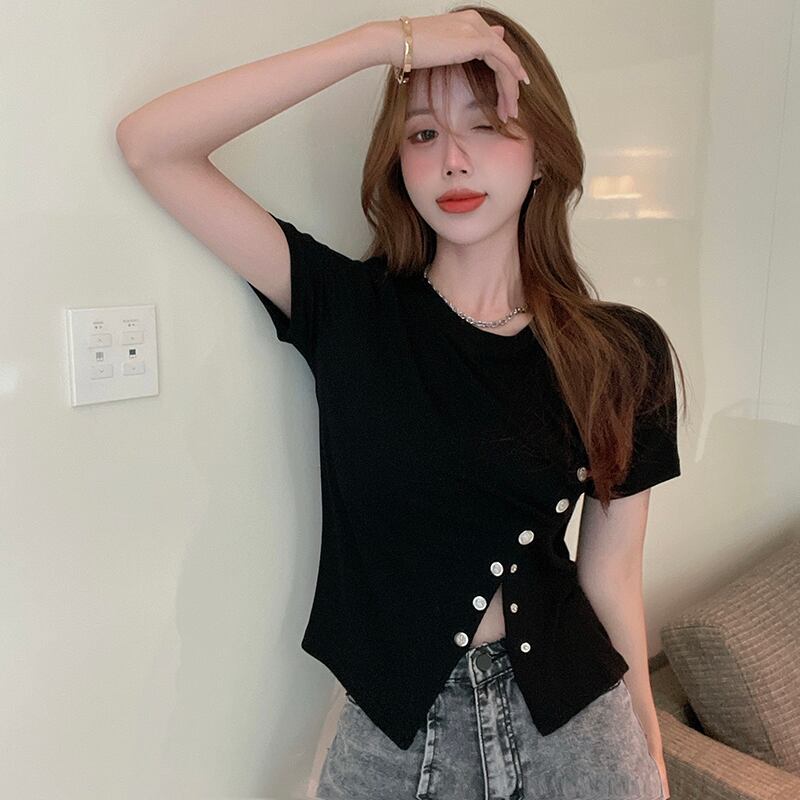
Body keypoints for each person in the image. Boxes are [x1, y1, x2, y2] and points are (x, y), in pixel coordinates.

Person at [116, 5, 685, 799]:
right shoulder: (348, 310)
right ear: (398, 162)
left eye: (485, 125)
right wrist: (384, 43)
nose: (453, 160)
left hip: (579, 734)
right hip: (395, 740)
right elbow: (152, 145)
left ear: (542, 155)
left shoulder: (619, 351)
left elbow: (613, 577)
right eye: (423, 133)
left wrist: (648, 750)